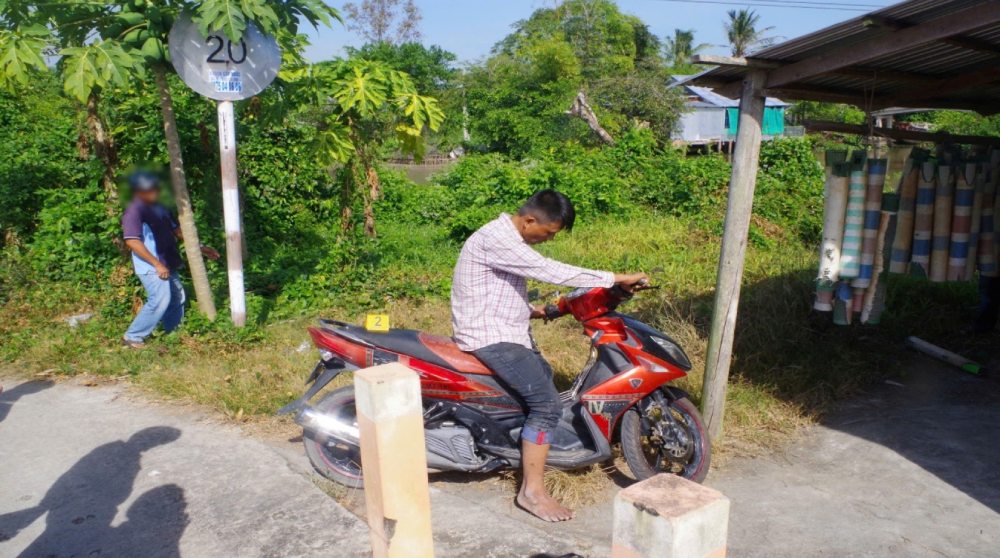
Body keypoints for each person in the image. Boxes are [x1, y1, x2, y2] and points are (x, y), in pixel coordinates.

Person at [451, 189, 647, 522]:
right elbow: (552, 272)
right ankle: (532, 493)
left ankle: (523, 448)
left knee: (542, 379)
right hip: (490, 338)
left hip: (503, 329)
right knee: (546, 405)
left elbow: (492, 287)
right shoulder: (498, 239)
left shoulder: (507, 237)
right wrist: (615, 277)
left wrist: (535, 310)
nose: (549, 239)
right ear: (529, 221)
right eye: (549, 232)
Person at [121, 171, 219, 348]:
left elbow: (178, 231)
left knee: (177, 297)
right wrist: (156, 264)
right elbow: (132, 242)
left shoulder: (161, 207)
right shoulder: (134, 211)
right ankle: (133, 336)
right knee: (160, 299)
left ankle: (173, 334)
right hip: (152, 266)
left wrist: (201, 247)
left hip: (167, 262)